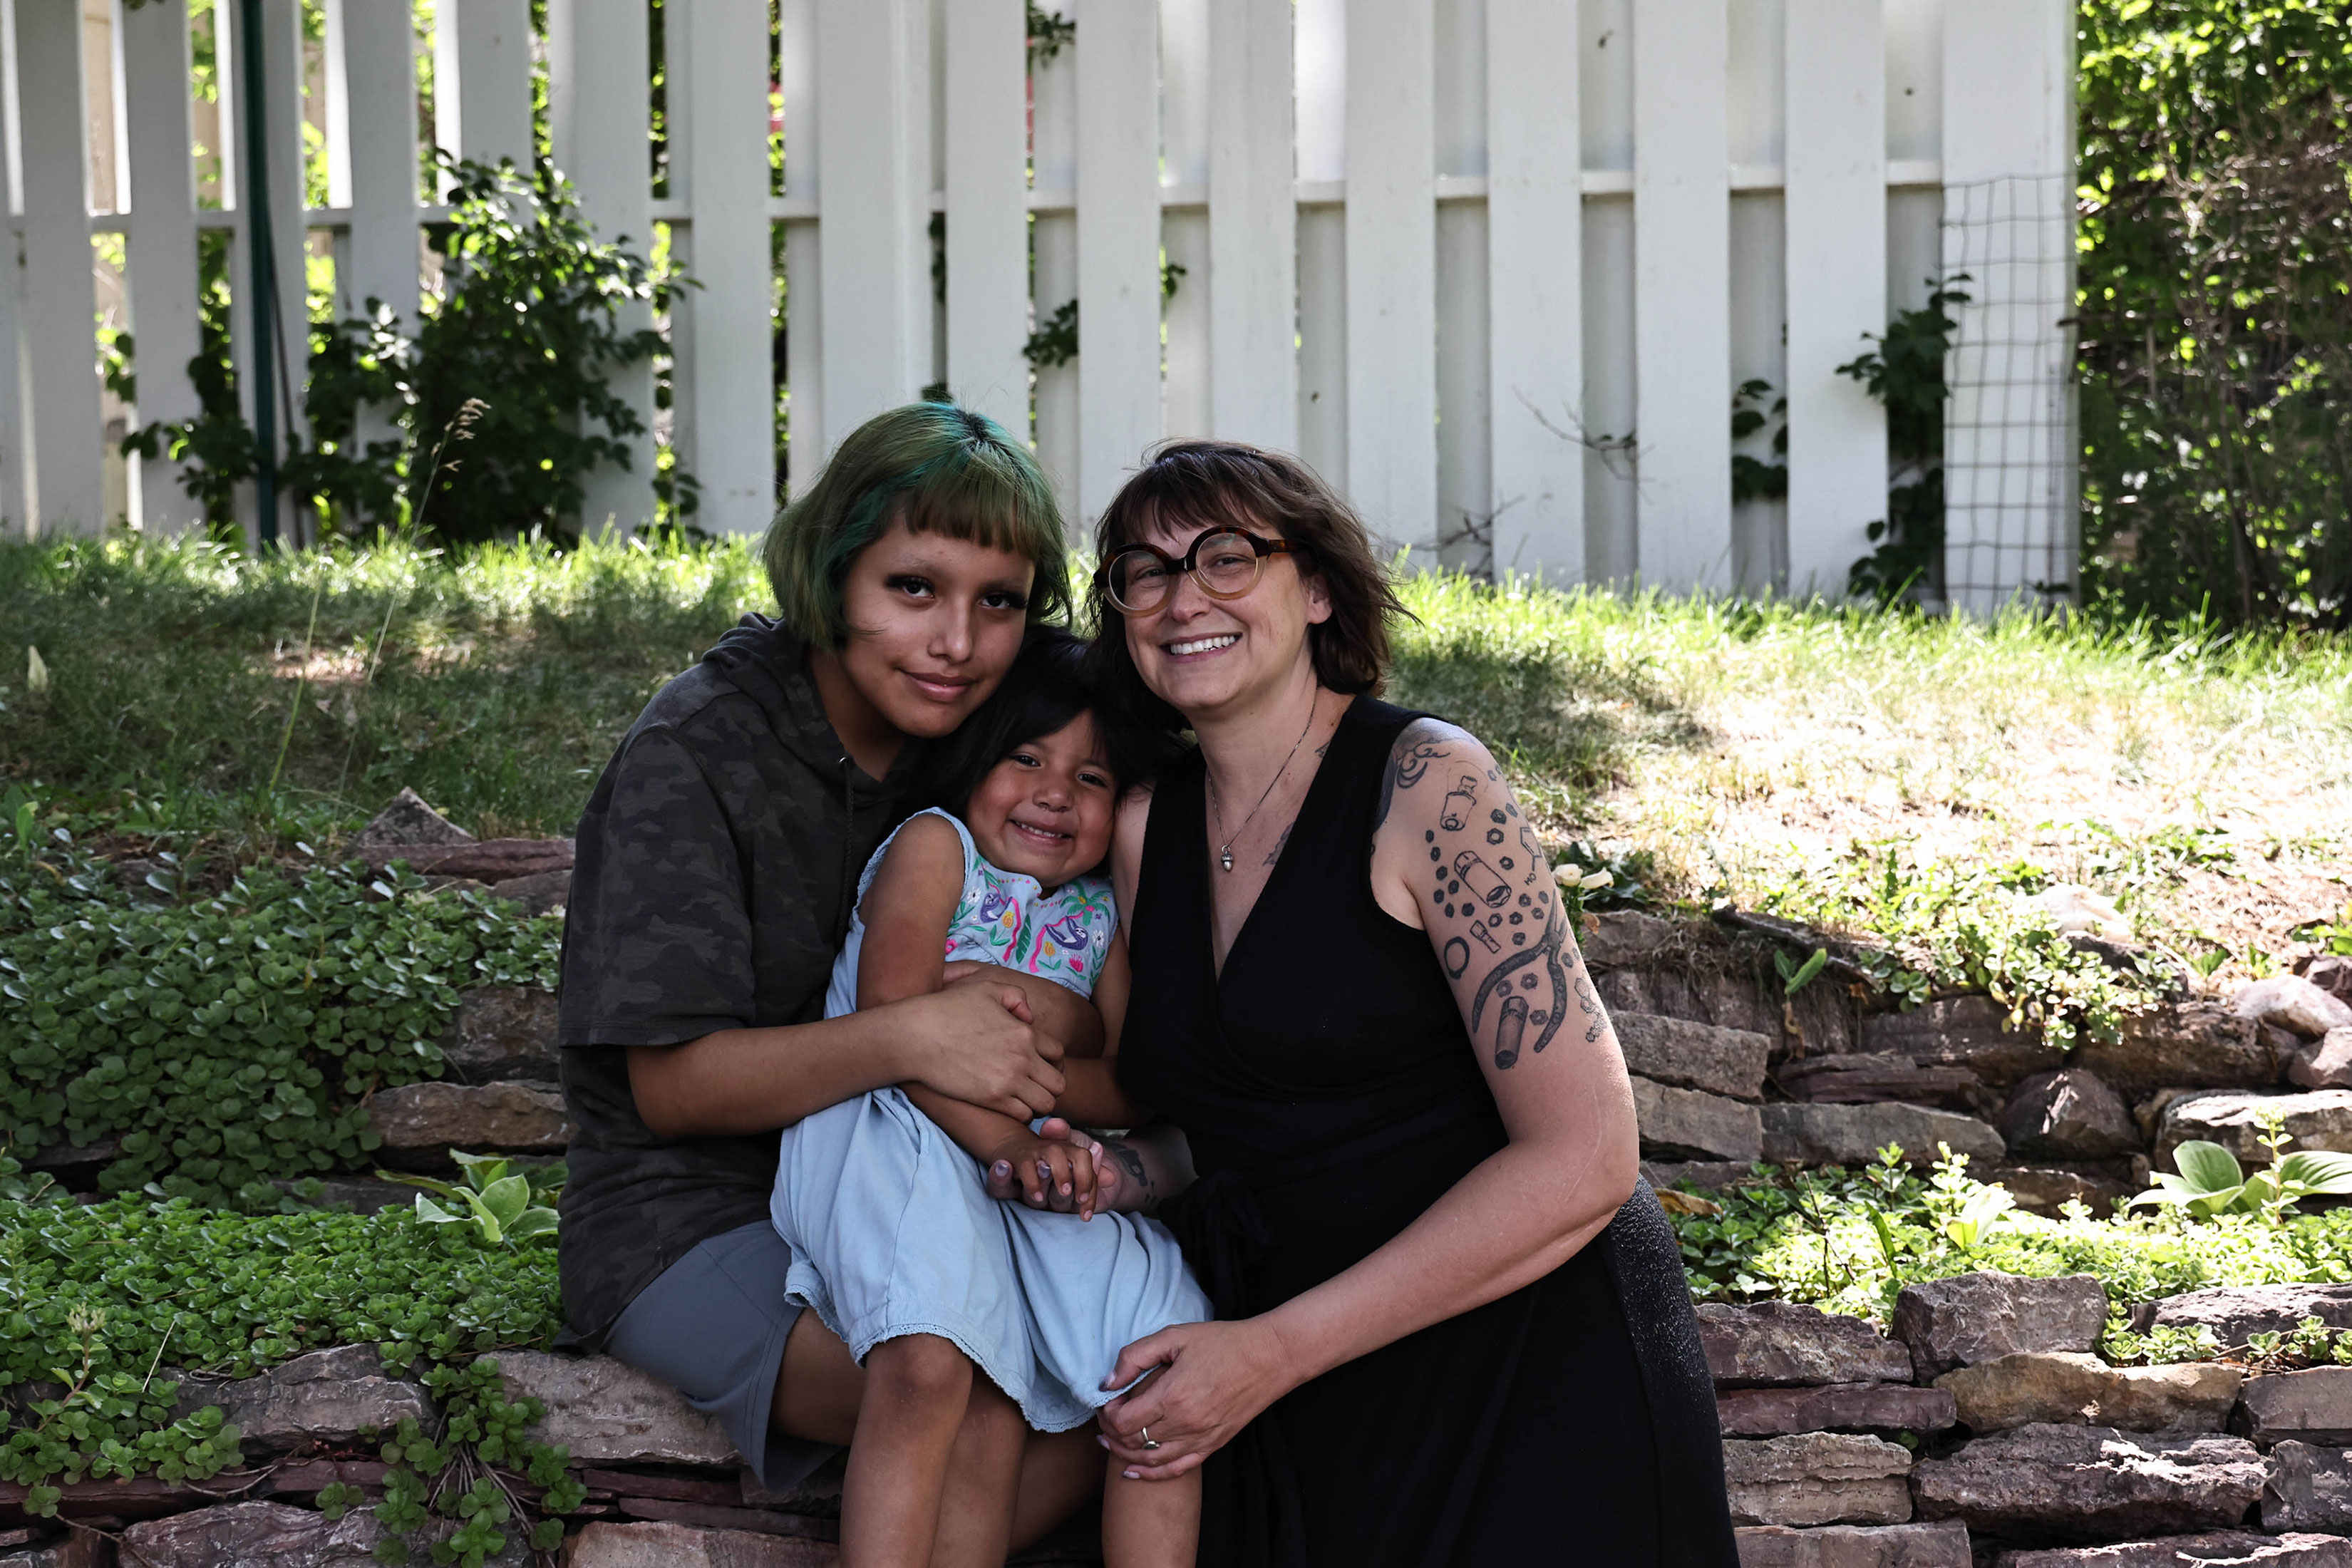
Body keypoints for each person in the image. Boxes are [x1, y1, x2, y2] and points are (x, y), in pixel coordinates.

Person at [1080, 441, 1740, 1565]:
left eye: (1227, 557)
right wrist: (1121, 1173)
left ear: (1321, 587)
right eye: (1144, 573)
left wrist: (1276, 1350)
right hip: (1304, 1390)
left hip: (1529, 1368)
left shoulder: (1429, 785)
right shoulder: (1145, 832)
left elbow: (1585, 1157)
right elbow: (1239, 1122)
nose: (1183, 597)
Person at [555, 403, 1108, 1567]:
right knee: (969, 1379)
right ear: (829, 570)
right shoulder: (699, 754)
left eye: (997, 601)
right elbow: (671, 1092)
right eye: (914, 588)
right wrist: (913, 1036)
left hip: (932, 1171)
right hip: (699, 1212)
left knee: (1149, 1379)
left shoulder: (979, 742)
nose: (957, 640)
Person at [772, 629, 1207, 1568]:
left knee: (1155, 1369)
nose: (1056, 791)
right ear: (976, 756)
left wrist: (1048, 1054)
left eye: (1093, 779)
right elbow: (896, 1022)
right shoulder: (938, 848)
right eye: (1028, 758)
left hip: (1032, 1170)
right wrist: (1009, 1131)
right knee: (933, 1362)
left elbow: (1132, 1080)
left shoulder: (1099, 914)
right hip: (895, 1137)